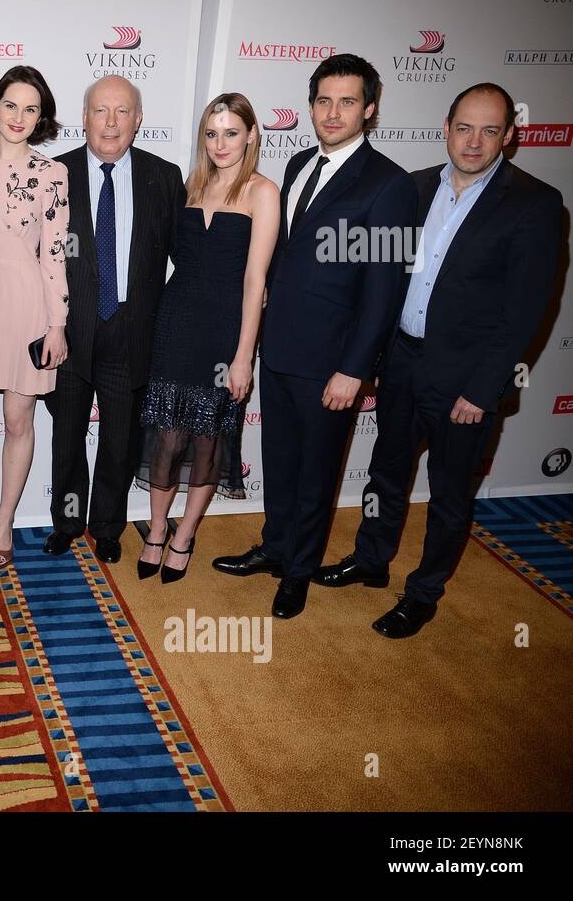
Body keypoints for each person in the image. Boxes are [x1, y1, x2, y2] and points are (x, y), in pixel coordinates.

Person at [315, 83, 562, 638]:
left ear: (510, 136)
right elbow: (384, 278)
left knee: (450, 495)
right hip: (402, 361)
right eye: (464, 127)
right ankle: (371, 560)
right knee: (384, 475)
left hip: (465, 383)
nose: (474, 142)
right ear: (446, 126)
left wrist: (483, 389)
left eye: (489, 130)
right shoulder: (414, 188)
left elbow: (525, 314)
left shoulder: (535, 204)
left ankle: (423, 593)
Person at [211, 53, 417, 621]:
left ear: (369, 109)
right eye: (323, 100)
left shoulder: (391, 185)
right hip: (278, 350)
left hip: (332, 361)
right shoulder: (299, 162)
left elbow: (385, 290)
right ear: (310, 106)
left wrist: (355, 368)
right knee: (278, 461)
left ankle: (298, 572)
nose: (333, 112)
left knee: (317, 471)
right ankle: (276, 548)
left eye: (347, 101)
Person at [135, 93, 279, 583]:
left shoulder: (263, 191)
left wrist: (244, 357)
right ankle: (157, 529)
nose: (220, 143)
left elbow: (256, 282)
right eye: (212, 134)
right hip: (176, 321)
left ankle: (185, 534)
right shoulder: (190, 187)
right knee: (166, 436)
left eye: (231, 132)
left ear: (251, 135)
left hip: (224, 327)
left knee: (206, 436)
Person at [43, 76, 185, 564]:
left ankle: (106, 527)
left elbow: (185, 258)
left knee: (120, 442)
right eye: (100, 111)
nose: (110, 122)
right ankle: (66, 521)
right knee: (66, 437)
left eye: (122, 112)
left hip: (132, 330)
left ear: (138, 120)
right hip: (67, 330)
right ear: (83, 118)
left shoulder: (164, 177)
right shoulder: (53, 173)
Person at [0, 65, 69, 570]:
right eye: (10, 105)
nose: (19, 116)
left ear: (40, 116)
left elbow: (53, 256)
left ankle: (3, 522)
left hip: (27, 308)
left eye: (30, 108)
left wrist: (57, 324)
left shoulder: (53, 174)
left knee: (20, 421)